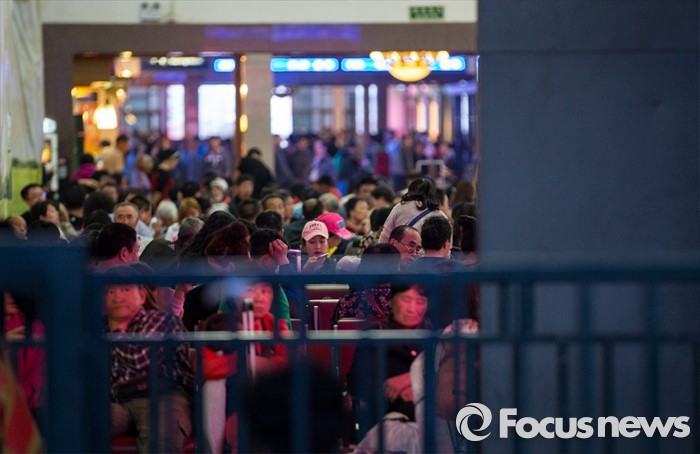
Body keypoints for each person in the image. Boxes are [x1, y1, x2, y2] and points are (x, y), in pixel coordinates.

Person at [104, 267, 193, 453]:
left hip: (163, 394)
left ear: (142, 296)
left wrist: (118, 330)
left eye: (125, 290)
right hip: (120, 401)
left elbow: (141, 359)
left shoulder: (160, 320)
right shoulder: (102, 331)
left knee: (161, 437)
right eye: (110, 292)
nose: (117, 297)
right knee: (75, 421)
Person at [347, 284, 430, 431]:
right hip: (384, 420)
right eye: (406, 300)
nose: (412, 309)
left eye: (420, 302)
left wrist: (412, 380)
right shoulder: (374, 334)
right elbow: (358, 383)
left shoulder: (437, 335)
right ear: (391, 300)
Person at [379, 178, 448, 244]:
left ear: (410, 190)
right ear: (432, 193)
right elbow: (447, 243)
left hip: (401, 250)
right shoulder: (440, 215)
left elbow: (386, 235)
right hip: (427, 252)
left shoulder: (400, 207)